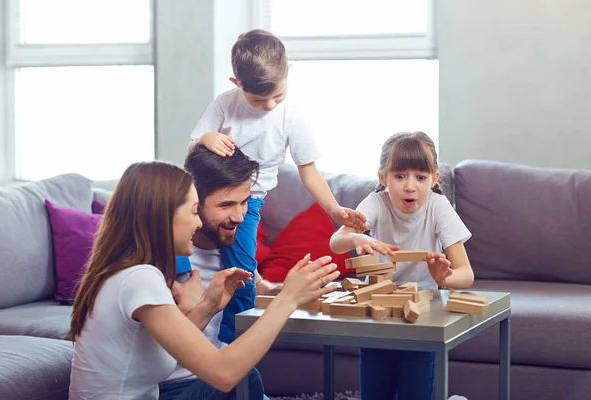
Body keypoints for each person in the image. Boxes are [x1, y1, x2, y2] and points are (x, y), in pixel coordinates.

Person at [68, 161, 340, 399]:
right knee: (244, 380)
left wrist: (208, 306)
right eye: (193, 211)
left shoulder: (124, 272)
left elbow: (160, 352)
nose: (198, 224)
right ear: (163, 216)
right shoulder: (140, 278)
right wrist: (287, 299)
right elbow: (224, 374)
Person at [185, 29, 367, 344]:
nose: (269, 105)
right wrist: (204, 139)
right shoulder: (225, 104)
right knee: (202, 260)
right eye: (258, 99)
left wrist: (334, 210)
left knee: (240, 270)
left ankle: (232, 340)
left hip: (249, 201)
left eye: (277, 95)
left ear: (289, 72)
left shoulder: (292, 116)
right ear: (236, 84)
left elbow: (309, 172)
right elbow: (191, 152)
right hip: (207, 198)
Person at [329, 131, 475, 400]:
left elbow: (466, 274)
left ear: (434, 179)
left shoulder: (438, 206)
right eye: (399, 176)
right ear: (382, 178)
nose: (410, 186)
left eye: (420, 177)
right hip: (378, 313)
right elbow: (335, 242)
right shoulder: (375, 202)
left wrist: (444, 278)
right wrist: (355, 235)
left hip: (423, 317)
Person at [160, 145, 277, 399]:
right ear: (195, 203)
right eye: (226, 205)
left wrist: (296, 289)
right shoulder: (165, 259)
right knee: (245, 378)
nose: (239, 216)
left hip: (212, 380)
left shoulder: (232, 250)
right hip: (172, 387)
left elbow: (260, 288)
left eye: (244, 202)